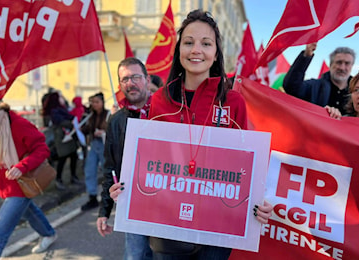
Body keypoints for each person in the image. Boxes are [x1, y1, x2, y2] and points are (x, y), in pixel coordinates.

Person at [109, 10, 272, 260]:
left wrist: (259, 203)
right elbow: (150, 163)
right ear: (179, 50)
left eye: (206, 43)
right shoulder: (159, 100)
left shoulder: (233, 102)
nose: (196, 49)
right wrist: (125, 188)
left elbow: (244, 167)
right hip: (167, 229)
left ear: (216, 53)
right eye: (188, 42)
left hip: (216, 230)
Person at [96, 57, 153, 259]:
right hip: (131, 204)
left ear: (147, 79)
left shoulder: (167, 113)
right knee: (134, 256)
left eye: (136, 77)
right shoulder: (116, 120)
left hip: (164, 205)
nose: (130, 83)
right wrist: (104, 211)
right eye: (125, 79)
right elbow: (110, 167)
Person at [0, 101, 57, 259]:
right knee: (29, 211)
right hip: (6, 185)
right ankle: (49, 234)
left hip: (22, 184)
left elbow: (42, 149)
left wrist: (22, 166)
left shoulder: (19, 124)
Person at [283, 42, 356, 115]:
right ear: (330, 64)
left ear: (352, 66)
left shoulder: (358, 91)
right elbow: (291, 87)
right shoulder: (314, 87)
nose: (342, 68)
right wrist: (306, 55)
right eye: (339, 62)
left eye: (347, 63)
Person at [42, 92, 80, 190]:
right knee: (62, 158)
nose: (62, 98)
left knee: (73, 156)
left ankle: (73, 176)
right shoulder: (55, 111)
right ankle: (59, 179)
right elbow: (59, 121)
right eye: (60, 97)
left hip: (68, 137)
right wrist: (71, 122)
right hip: (62, 138)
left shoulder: (62, 108)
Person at [80, 92, 111, 211]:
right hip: (93, 144)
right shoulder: (90, 116)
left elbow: (112, 130)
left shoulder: (108, 115)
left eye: (97, 102)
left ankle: (109, 196)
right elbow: (87, 130)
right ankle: (92, 197)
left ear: (102, 103)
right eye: (92, 102)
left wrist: (103, 132)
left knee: (106, 170)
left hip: (104, 145)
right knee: (90, 170)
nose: (94, 105)